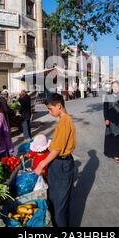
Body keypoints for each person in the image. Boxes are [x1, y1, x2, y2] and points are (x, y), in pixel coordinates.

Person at [34, 93, 77, 227]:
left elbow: (57, 149)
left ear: (59, 106)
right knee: (56, 201)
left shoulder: (65, 121)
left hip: (62, 164)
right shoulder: (63, 120)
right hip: (59, 163)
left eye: (50, 109)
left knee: (59, 206)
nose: (49, 111)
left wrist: (42, 163)